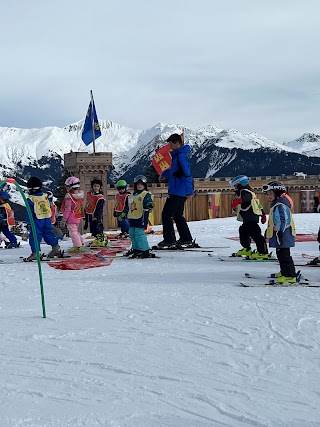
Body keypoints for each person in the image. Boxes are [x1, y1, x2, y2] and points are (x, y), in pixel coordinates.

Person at [156, 133, 194, 248]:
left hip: (178, 192)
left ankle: (169, 240)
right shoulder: (178, 155)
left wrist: (189, 192)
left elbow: (187, 175)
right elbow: (175, 171)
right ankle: (186, 238)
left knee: (167, 215)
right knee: (177, 215)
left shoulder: (181, 156)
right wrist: (165, 174)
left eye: (171, 144)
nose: (169, 146)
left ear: (177, 143)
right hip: (179, 191)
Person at [263, 181, 297, 283]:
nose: (268, 196)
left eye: (271, 194)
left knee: (285, 255)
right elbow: (274, 220)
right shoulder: (277, 204)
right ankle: (284, 272)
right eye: (267, 194)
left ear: (277, 193)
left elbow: (283, 220)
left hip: (282, 234)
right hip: (279, 234)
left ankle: (290, 275)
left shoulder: (280, 205)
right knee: (280, 254)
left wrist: (280, 232)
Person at [230, 175, 268, 259]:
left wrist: (237, 202)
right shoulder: (251, 192)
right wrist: (263, 214)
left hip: (250, 217)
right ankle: (247, 249)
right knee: (243, 230)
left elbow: (245, 199)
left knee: (255, 234)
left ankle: (262, 252)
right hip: (248, 217)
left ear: (240, 184)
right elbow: (258, 204)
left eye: (235, 185)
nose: (234, 188)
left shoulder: (244, 191)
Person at [25, 177, 61, 260]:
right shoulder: (45, 197)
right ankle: (55, 247)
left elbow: (29, 212)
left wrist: (28, 222)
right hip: (46, 219)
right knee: (48, 234)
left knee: (35, 236)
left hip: (37, 219)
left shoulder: (30, 199)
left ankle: (36, 252)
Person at [121, 175, 155, 258]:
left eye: (142, 184)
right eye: (138, 184)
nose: (140, 186)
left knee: (139, 233)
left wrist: (149, 205)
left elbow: (148, 202)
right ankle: (136, 248)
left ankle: (145, 250)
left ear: (144, 185)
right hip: (132, 217)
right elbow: (128, 206)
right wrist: (124, 213)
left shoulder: (145, 194)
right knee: (132, 233)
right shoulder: (131, 195)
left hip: (141, 217)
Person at [60, 176, 85, 253]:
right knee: (76, 231)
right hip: (77, 216)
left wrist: (64, 219)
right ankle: (81, 243)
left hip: (71, 218)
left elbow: (68, 209)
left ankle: (78, 246)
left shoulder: (69, 197)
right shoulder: (79, 196)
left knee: (72, 232)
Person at [84, 178, 106, 247]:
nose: (96, 187)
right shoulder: (90, 194)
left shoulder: (100, 197)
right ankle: (97, 239)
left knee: (97, 226)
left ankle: (101, 240)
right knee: (92, 227)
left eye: (98, 186)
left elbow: (100, 209)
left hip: (96, 215)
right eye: (95, 186)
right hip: (90, 213)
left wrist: (96, 216)